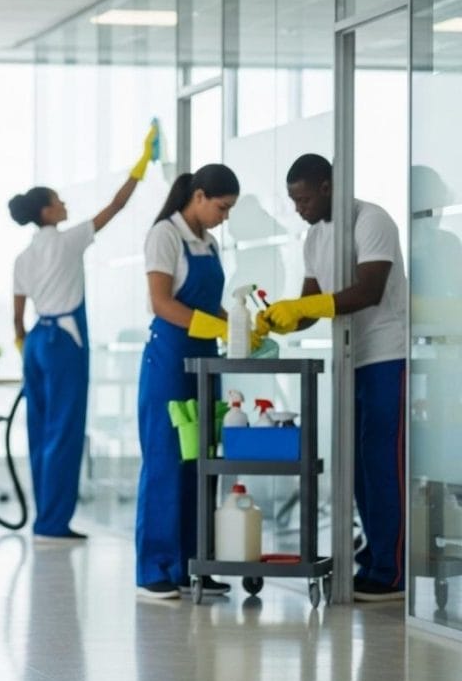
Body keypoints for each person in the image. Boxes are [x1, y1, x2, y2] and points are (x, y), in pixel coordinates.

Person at [260, 153, 406, 602]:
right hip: (350, 358)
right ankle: (375, 559)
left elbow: (369, 290)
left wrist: (307, 307)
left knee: (384, 463)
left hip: (387, 353)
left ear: (327, 187)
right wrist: (279, 319)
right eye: (293, 200)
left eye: (303, 198)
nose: (298, 208)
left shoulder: (371, 220)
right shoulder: (315, 238)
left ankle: (393, 571)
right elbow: (311, 303)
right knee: (358, 464)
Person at [10, 123, 157, 541]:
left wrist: (24, 346)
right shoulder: (68, 240)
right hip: (65, 343)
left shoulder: (23, 256)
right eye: (58, 201)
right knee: (65, 432)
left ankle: (44, 519)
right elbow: (116, 206)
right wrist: (141, 165)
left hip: (36, 341)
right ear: (46, 213)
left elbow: (16, 317)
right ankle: (55, 523)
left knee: (40, 431)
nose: (64, 203)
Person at [136, 164, 240, 599]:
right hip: (170, 359)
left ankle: (193, 565)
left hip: (203, 359)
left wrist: (239, 327)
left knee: (202, 461)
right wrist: (212, 327)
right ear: (198, 197)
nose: (224, 216)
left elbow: (212, 306)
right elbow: (161, 303)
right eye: (222, 207)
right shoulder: (166, 235)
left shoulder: (210, 243)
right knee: (165, 460)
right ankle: (155, 569)